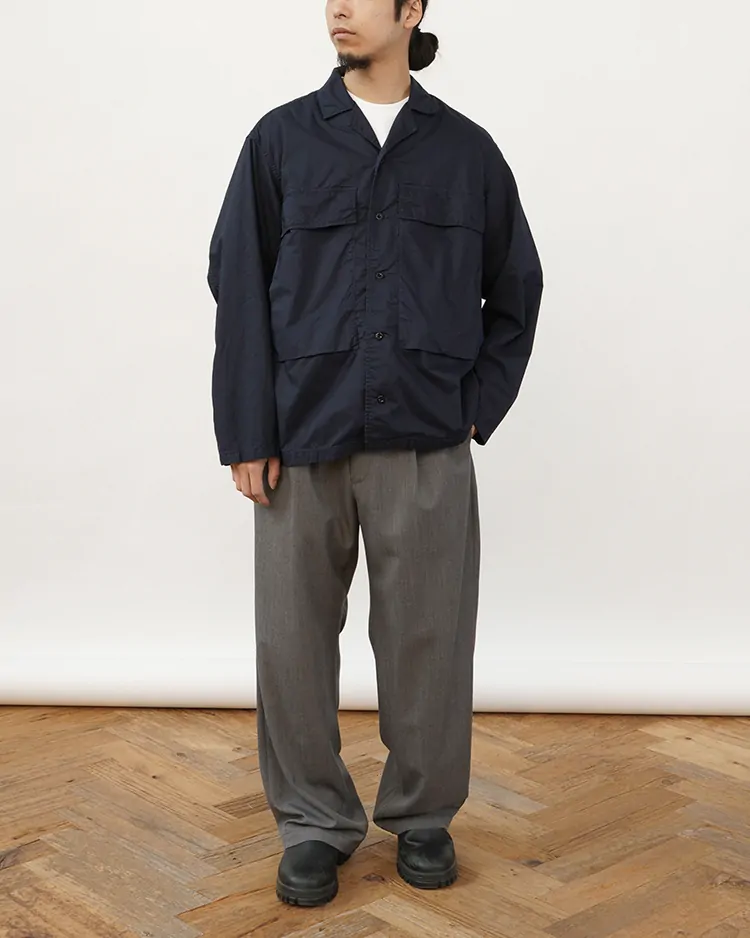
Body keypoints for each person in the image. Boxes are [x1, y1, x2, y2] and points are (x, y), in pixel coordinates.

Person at [207, 0, 543, 909]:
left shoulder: (466, 154)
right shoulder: (281, 142)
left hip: (427, 439)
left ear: (412, 11)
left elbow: (517, 289)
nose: (339, 9)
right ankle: (313, 823)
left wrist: (474, 409)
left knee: (430, 638)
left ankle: (424, 815)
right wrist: (246, 430)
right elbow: (237, 282)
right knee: (291, 641)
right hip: (298, 436)